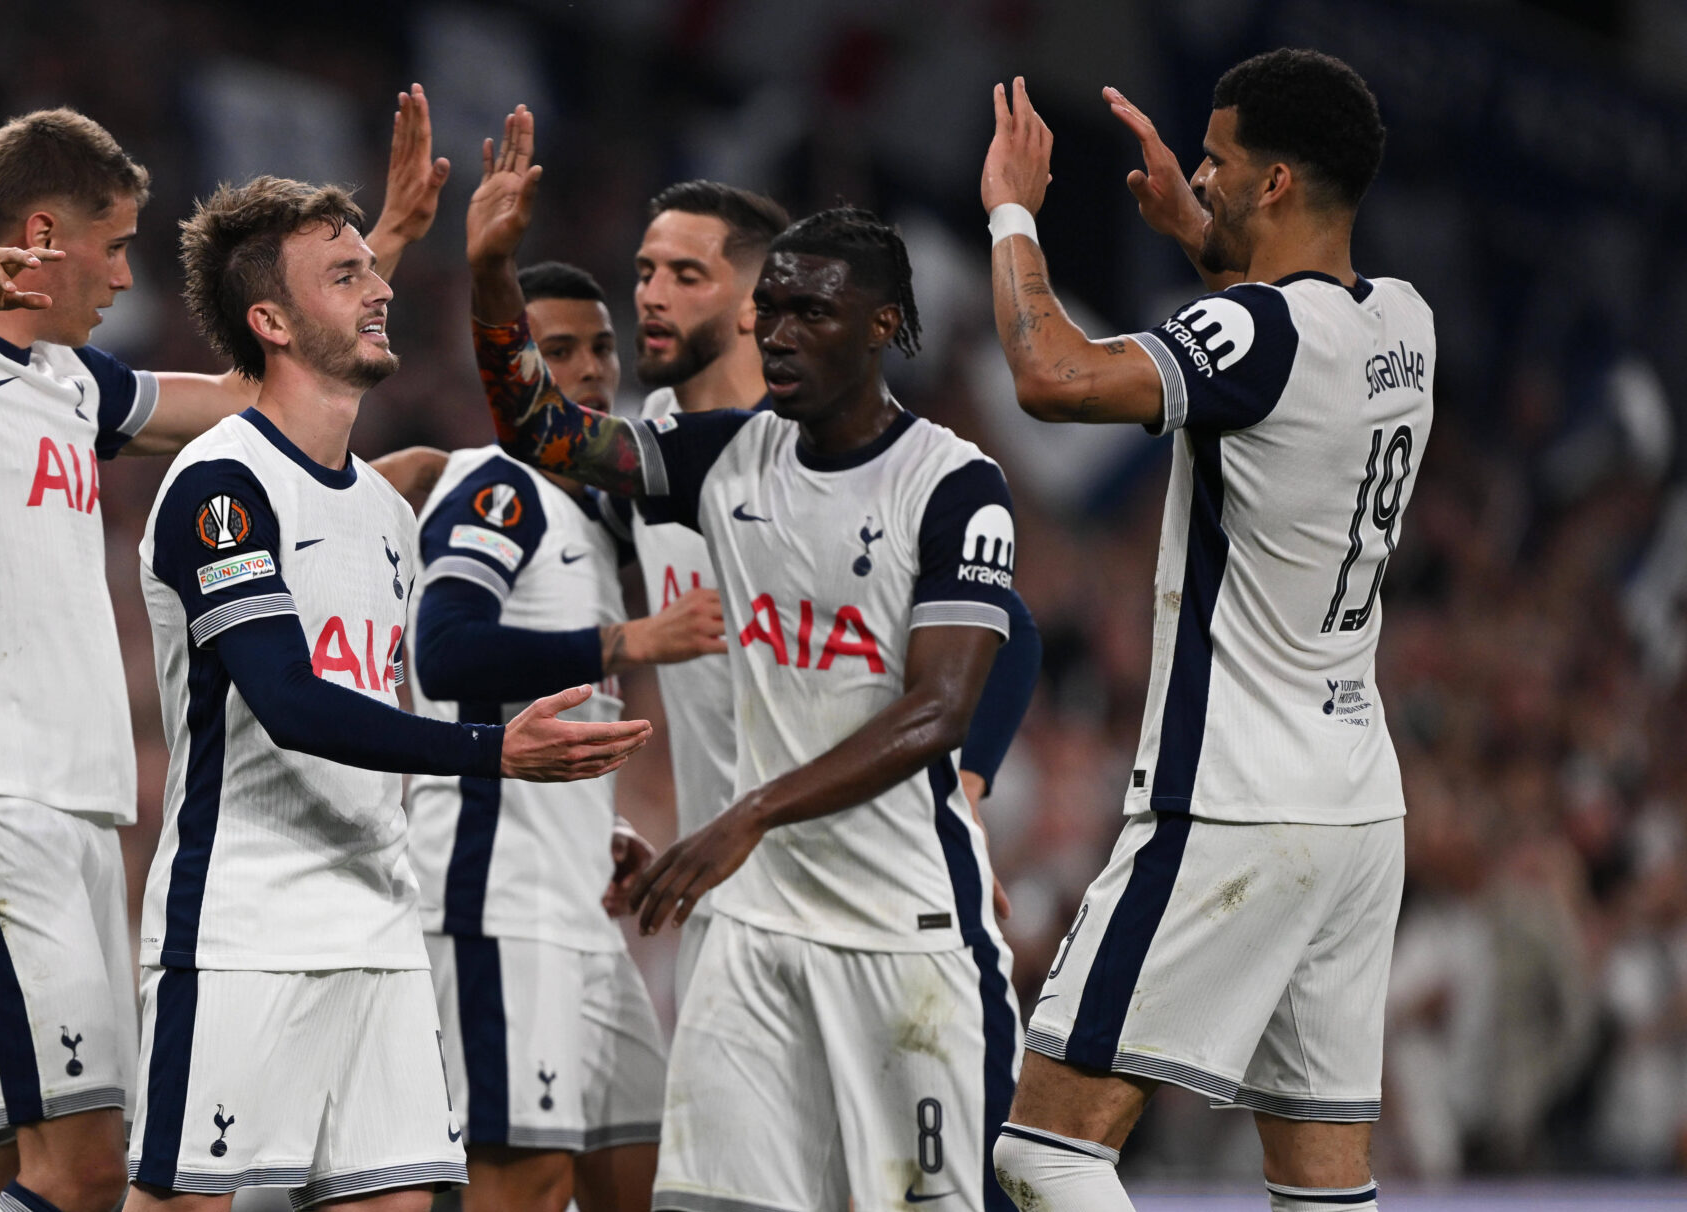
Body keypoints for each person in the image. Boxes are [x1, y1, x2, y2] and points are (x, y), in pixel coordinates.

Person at [0, 93, 453, 1212]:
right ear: (42, 237)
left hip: (70, 804)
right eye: (115, 244)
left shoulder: (73, 384)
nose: (127, 278)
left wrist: (381, 252)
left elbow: (261, 392)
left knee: (9, 1165)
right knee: (86, 1171)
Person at [468, 107, 1025, 1212]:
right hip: (749, 933)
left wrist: (751, 812)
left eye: (811, 312)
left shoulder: (953, 484)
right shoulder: (719, 456)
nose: (779, 333)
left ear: (883, 325)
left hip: (903, 930)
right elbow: (542, 432)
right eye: (770, 309)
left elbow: (941, 704)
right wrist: (490, 273)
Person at [129, 175, 651, 1212]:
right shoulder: (220, 483)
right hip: (244, 930)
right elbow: (293, 704)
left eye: (372, 267)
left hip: (380, 924)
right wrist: (494, 753)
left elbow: (388, 704)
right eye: (345, 274)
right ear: (271, 322)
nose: (379, 288)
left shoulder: (380, 508)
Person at [978, 51, 1428, 1212]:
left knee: (1044, 1151)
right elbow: (1282, 335)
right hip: (1356, 804)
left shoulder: (1254, 333)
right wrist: (1199, 231)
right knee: (1320, 1187)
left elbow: (1052, 375)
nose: (1201, 177)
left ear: (1275, 183)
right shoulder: (1405, 322)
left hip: (1233, 798)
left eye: (1218, 163)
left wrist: (1013, 213)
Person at [404, 260, 723, 1212]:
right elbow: (446, 653)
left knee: (645, 1181)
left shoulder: (594, 516)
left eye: (601, 348)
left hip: (578, 907)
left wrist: (601, 826)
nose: (588, 370)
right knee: (527, 1188)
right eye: (557, 351)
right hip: (501, 904)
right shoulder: (495, 486)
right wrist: (627, 641)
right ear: (513, 371)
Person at [616, 181, 783, 1009]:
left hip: (850, 899)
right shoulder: (648, 433)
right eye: (646, 271)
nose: (652, 293)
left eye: (686, 275)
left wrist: (967, 794)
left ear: (756, 306)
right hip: (715, 895)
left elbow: (1000, 632)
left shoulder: (827, 452)